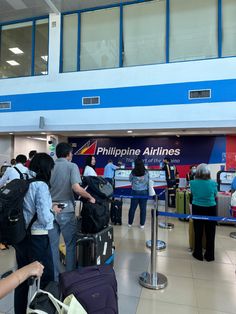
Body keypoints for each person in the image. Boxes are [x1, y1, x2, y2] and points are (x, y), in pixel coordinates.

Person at [13, 153, 56, 314]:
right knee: (47, 278)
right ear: (46, 169)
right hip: (37, 238)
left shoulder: (24, 182)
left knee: (22, 277)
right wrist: (54, 212)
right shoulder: (41, 186)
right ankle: (45, 311)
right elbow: (45, 218)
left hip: (21, 237)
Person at [49, 143, 95, 281]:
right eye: (72, 153)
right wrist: (90, 197)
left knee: (52, 245)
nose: (72, 155)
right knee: (70, 244)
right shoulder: (72, 166)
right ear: (68, 154)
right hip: (66, 209)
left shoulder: (49, 166)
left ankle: (55, 277)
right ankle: (69, 276)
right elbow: (76, 187)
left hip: (50, 209)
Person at [190, 163, 217, 262]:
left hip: (197, 208)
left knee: (198, 231)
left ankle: (198, 253)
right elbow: (215, 195)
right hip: (211, 208)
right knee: (211, 232)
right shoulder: (213, 183)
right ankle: (210, 255)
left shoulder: (192, 183)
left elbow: (193, 195)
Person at [128, 158, 149, 229]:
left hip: (135, 192)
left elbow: (130, 179)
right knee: (143, 209)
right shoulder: (146, 172)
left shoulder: (133, 172)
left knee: (132, 208)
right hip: (144, 192)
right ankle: (142, 224)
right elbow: (148, 181)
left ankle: (130, 223)